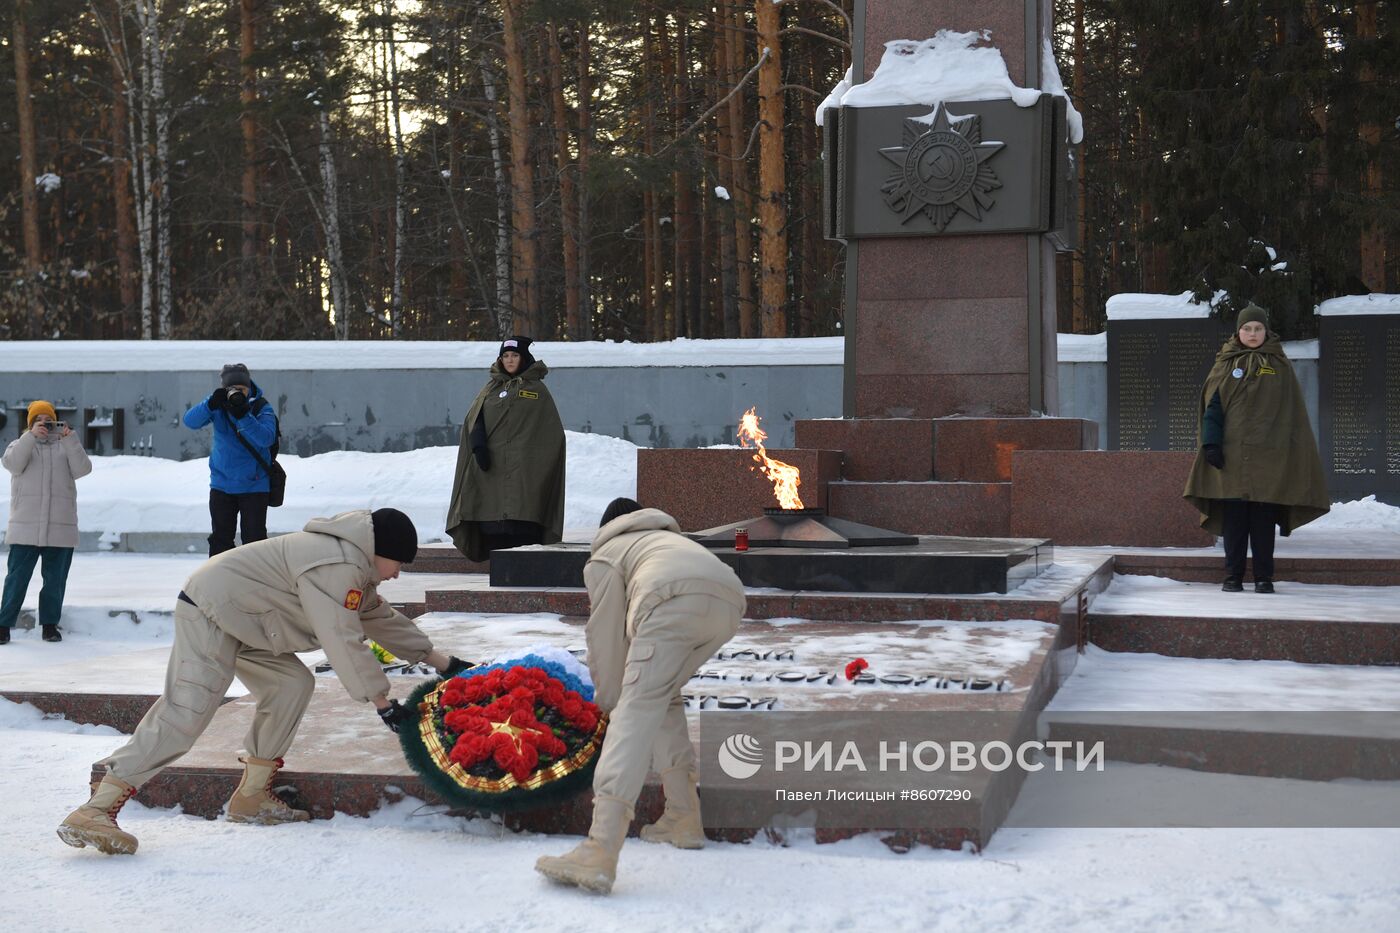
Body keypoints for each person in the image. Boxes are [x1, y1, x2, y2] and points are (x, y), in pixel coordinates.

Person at [57, 508, 471, 855]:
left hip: (246, 620)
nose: (398, 575)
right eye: (399, 564)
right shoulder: (337, 564)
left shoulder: (355, 566)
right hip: (211, 610)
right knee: (189, 710)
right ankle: (97, 808)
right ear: (381, 552)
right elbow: (341, 634)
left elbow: (378, 618)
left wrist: (444, 662)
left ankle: (252, 797)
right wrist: (382, 703)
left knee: (291, 685)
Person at [536, 497, 745, 895]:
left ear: (606, 528)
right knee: (661, 697)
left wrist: (611, 701)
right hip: (729, 600)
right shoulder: (666, 542)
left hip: (670, 600)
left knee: (635, 708)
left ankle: (599, 850)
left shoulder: (607, 553)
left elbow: (604, 635)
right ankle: (683, 818)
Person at [1184, 304, 1329, 593]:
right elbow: (1212, 409)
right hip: (1231, 457)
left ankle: (1264, 577)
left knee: (1263, 523)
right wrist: (1211, 444)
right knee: (1234, 523)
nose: (1252, 334)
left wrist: (1287, 452)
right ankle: (1233, 576)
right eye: (1247, 329)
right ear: (1238, 332)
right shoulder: (1225, 364)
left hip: (1270, 459)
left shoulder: (1279, 365)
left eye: (1257, 328)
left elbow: (1293, 414)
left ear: (1266, 331)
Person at [446, 336, 566, 562]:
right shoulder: (490, 389)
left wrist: (536, 463)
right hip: (490, 471)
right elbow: (475, 420)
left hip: (525, 475)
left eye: (515, 355)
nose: (510, 360)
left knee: (521, 523)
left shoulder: (537, 390)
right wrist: (479, 445)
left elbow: (551, 435)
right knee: (492, 523)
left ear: (524, 358)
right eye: (506, 356)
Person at [1, 401, 92, 645]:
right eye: (38, 420)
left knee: (55, 581)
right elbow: (11, 464)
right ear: (30, 424)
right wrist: (30, 438)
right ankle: (3, 625)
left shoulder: (66, 446)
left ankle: (49, 626)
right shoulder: (20, 445)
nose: (44, 423)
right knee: (16, 579)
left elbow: (83, 469)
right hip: (26, 527)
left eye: (48, 419)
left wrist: (71, 440)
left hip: (60, 527)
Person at [183, 363, 278, 557]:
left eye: (242, 389)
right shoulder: (218, 406)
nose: (238, 393)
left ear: (249, 386)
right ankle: (220, 583)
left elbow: (267, 438)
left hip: (254, 486)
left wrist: (244, 415)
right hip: (222, 485)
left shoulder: (261, 407)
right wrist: (209, 403)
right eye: (232, 389)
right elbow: (189, 421)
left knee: (255, 542)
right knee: (220, 541)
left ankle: (257, 582)